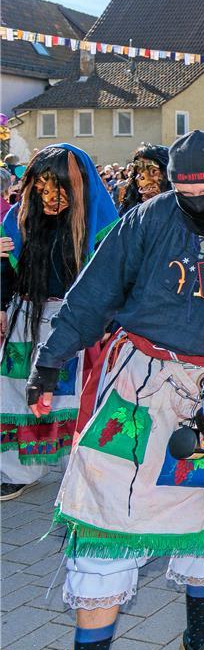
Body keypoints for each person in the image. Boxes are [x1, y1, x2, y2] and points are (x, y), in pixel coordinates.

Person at [25, 131, 204, 650]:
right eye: (187, 194)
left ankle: (199, 635)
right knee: (103, 521)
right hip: (136, 392)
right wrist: (49, 361)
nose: (197, 205)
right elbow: (93, 294)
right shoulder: (148, 218)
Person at [1, 144, 118, 500]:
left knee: (76, 399)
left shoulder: (104, 224)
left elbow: (117, 282)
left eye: (59, 189)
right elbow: (6, 268)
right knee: (15, 394)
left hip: (76, 324)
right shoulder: (18, 219)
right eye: (42, 188)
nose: (50, 198)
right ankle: (16, 471)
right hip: (26, 315)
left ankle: (83, 475)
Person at [118, 144, 171, 215]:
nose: (139, 178)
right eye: (138, 172)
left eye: (153, 171)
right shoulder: (130, 204)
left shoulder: (183, 209)